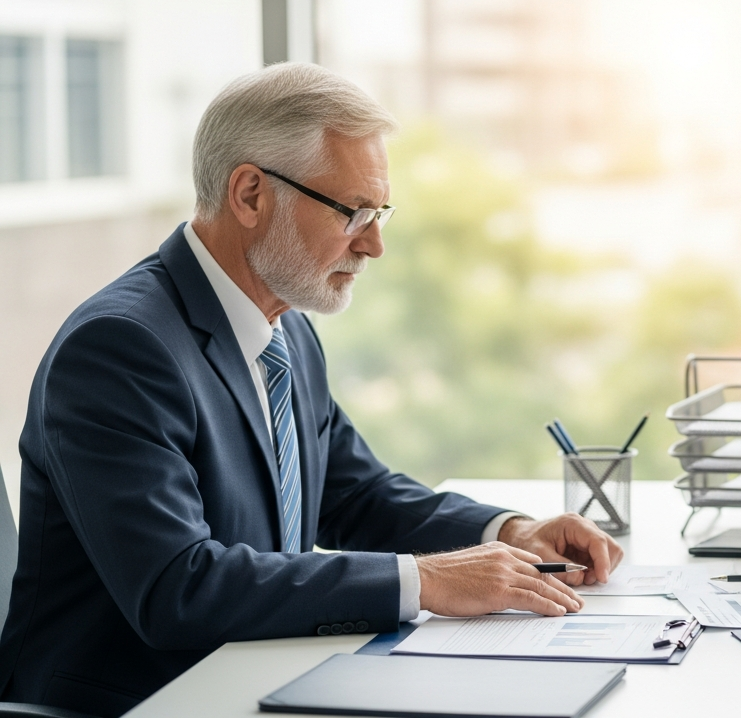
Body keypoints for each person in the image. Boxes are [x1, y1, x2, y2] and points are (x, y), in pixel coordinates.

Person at [0, 63, 624, 717]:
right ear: (250, 195)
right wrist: (427, 579)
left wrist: (510, 531)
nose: (375, 245)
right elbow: (178, 587)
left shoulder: (285, 328)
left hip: (257, 678)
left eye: (380, 213)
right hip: (136, 704)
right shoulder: (119, 348)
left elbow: (354, 494)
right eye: (354, 212)